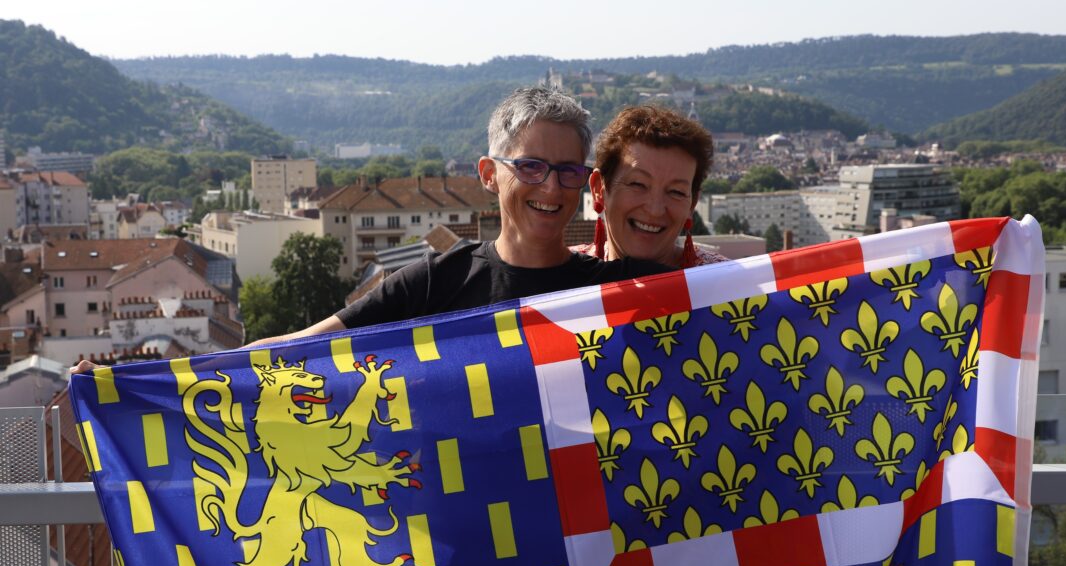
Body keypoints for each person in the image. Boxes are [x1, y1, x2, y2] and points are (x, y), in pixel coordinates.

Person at [69, 87, 670, 373]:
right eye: (531, 167)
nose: (551, 187)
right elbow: (293, 348)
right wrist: (129, 379)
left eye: (568, 170)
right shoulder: (435, 283)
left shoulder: (619, 290)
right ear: (489, 175)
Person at [573, 105, 726, 269]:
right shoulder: (557, 283)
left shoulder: (728, 286)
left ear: (692, 204)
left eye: (676, 192)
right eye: (638, 184)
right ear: (599, 189)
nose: (655, 210)